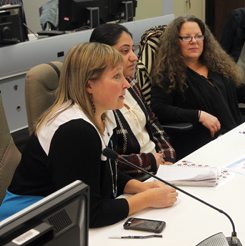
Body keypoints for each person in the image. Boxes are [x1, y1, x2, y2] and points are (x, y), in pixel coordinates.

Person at [0, 42, 177, 227]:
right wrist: (147, 199)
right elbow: (89, 214)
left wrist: (140, 187)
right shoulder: (75, 131)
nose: (126, 84)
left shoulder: (103, 116)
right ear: (89, 86)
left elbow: (105, 171)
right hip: (23, 225)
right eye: (116, 76)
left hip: (57, 216)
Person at [151, 15, 245, 159]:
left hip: (233, 134)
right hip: (203, 146)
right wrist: (198, 115)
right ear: (175, 42)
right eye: (186, 37)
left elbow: (241, 90)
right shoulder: (167, 73)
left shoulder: (215, 65)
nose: (194, 41)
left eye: (198, 36)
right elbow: (159, 108)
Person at [89, 23, 176, 178]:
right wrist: (151, 161)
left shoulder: (131, 83)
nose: (134, 57)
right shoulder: (100, 98)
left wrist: (168, 159)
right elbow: (109, 158)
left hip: (162, 169)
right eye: (124, 51)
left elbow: (153, 123)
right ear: (103, 54)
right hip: (135, 177)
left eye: (132, 48)